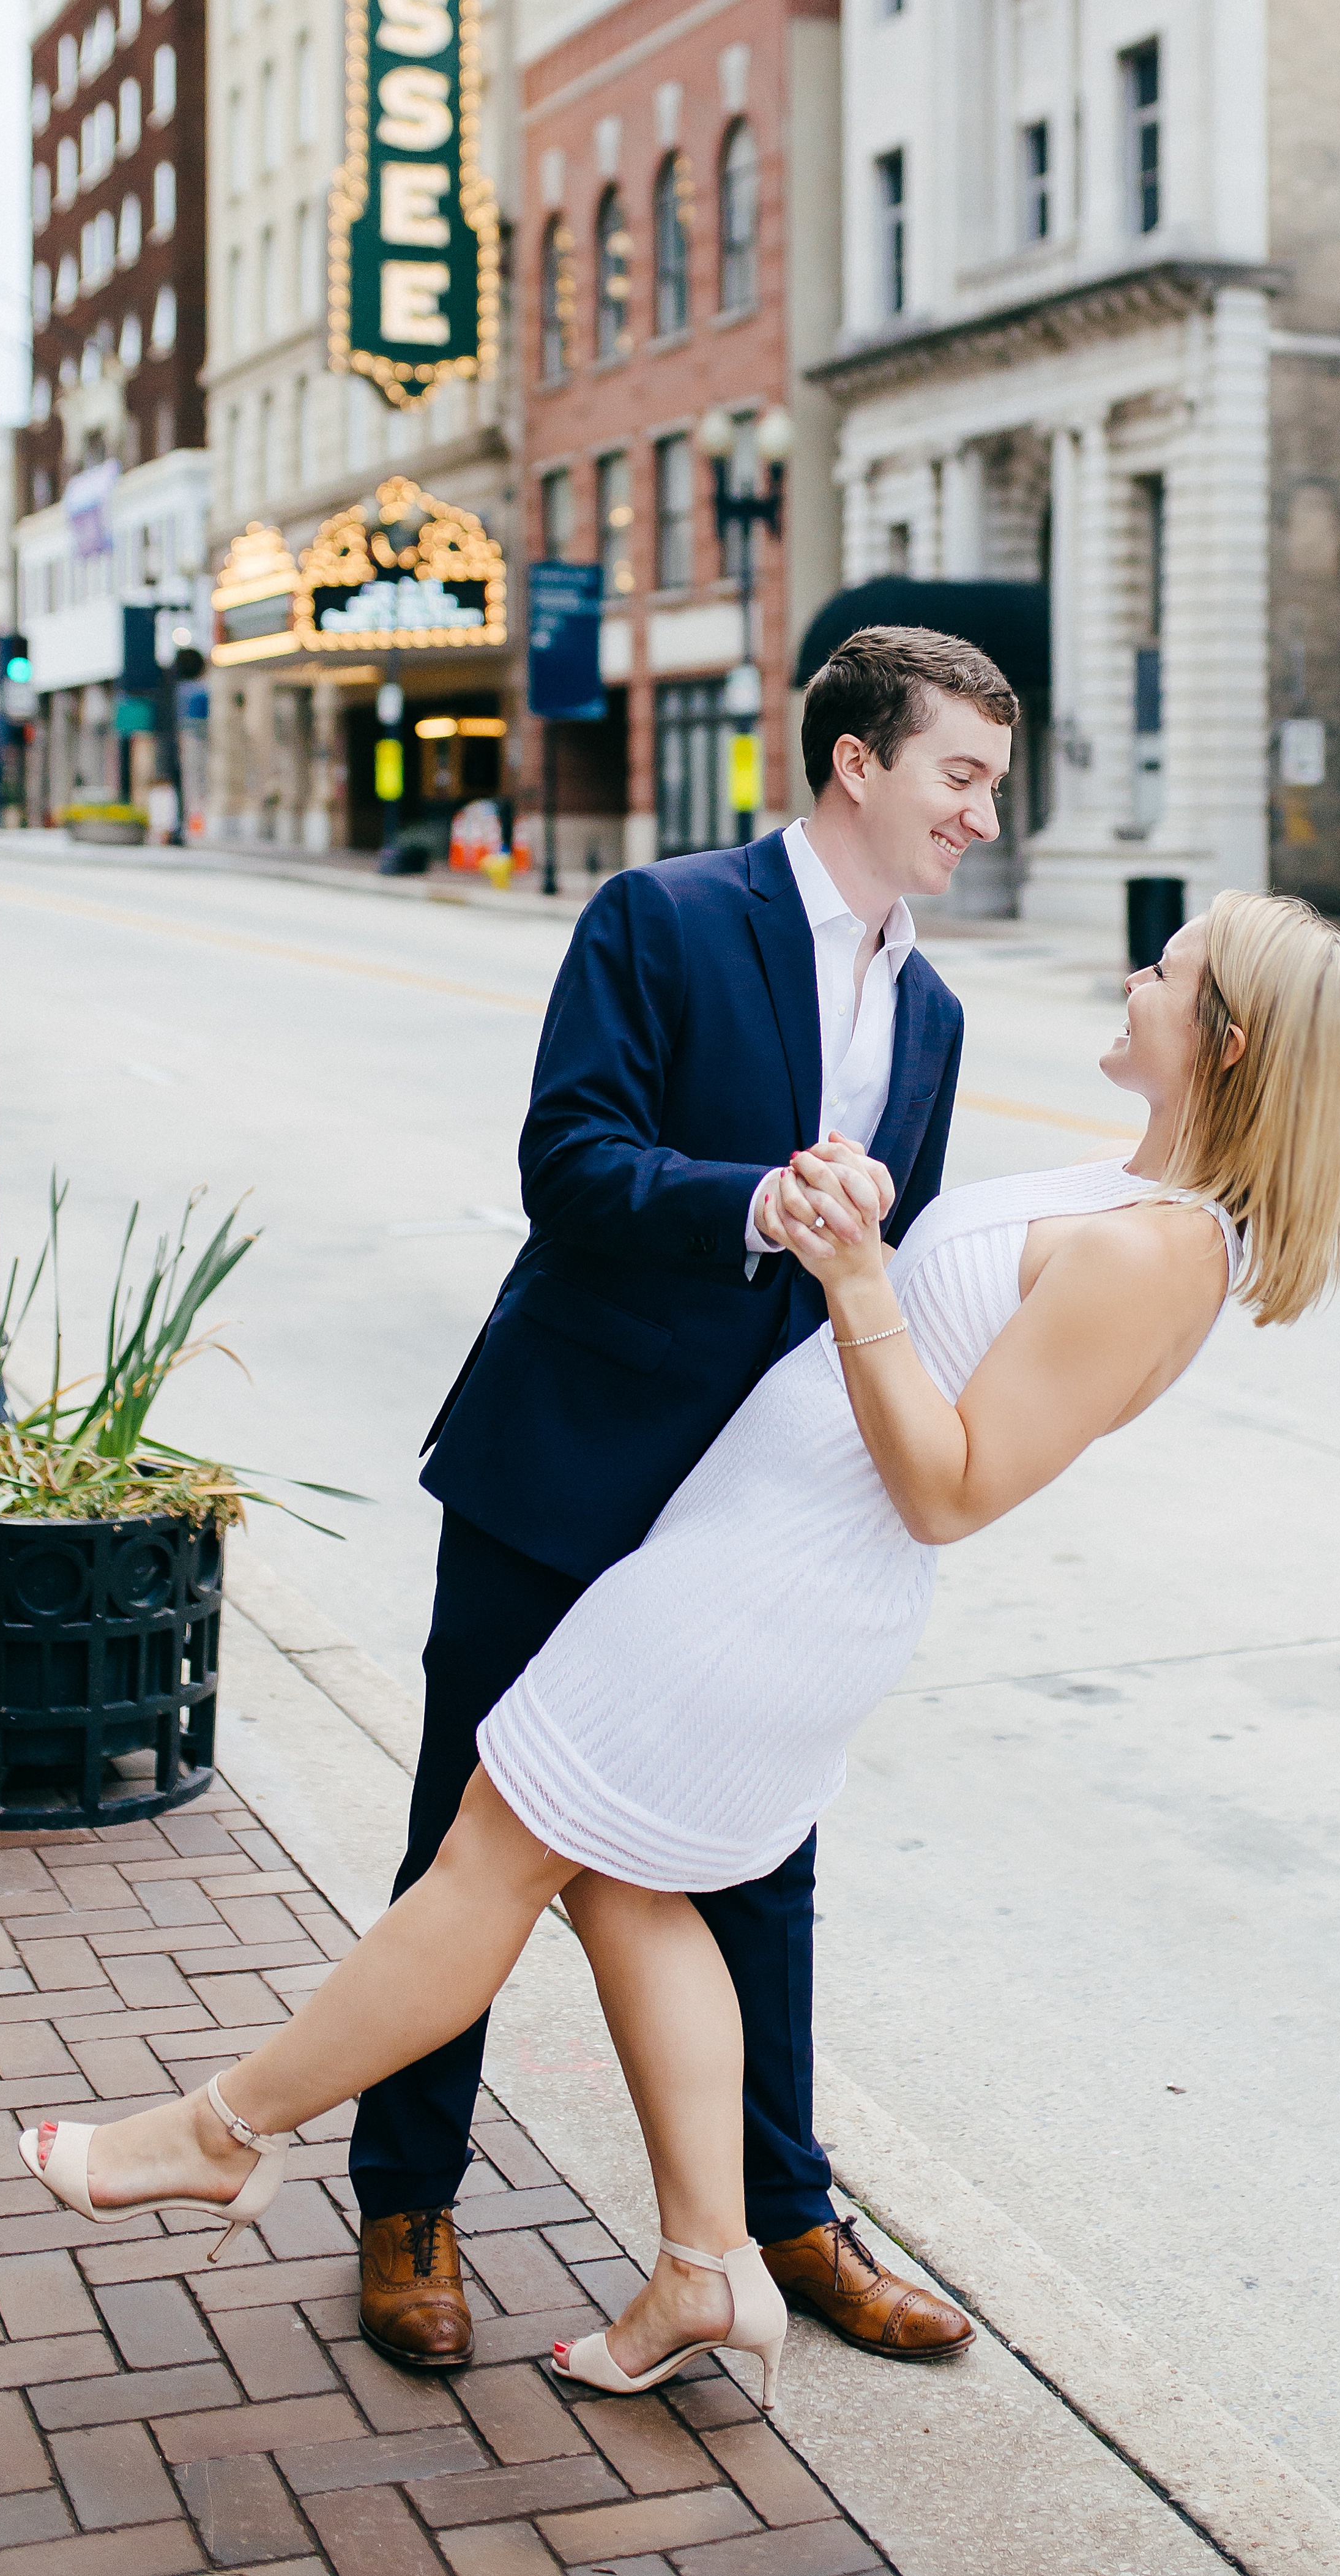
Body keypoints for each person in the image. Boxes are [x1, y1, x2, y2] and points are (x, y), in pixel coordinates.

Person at [20, 888, 1340, 2421]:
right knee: (623, 1886)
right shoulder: (1121, 1193)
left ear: (1227, 1038)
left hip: (770, 1596)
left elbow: (953, 1488)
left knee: (488, 1854)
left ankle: (219, 2134)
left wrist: (859, 1275)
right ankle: (704, 2269)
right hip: (733, 1569)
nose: (1136, 979)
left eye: (1167, 970)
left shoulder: (1158, 1253)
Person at [363, 629, 1014, 2369]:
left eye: (994, 786)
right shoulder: (661, 916)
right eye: (959, 774)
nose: (981, 813)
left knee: (764, 1862)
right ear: (858, 762)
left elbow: (894, 1275)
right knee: (467, 1846)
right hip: (565, 1465)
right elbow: (569, 1166)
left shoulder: (934, 1012)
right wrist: (759, 1205)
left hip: (758, 1512)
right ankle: (409, 2199)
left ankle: (783, 2214)